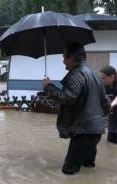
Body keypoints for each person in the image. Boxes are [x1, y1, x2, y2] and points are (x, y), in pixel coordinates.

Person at [41, 42, 110, 175]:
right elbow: (106, 102)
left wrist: (48, 86)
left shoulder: (76, 74)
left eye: (64, 57)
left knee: (69, 171)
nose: (63, 61)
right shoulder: (95, 75)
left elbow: (67, 97)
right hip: (96, 130)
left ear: (72, 58)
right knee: (87, 167)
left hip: (83, 131)